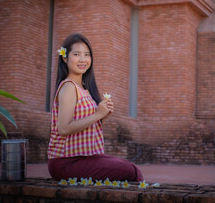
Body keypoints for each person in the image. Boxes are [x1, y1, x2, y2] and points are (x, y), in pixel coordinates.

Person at [47, 33, 143, 182]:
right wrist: (97, 115)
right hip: (66, 161)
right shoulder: (68, 87)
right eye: (77, 54)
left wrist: (102, 115)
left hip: (85, 157)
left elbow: (84, 122)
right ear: (65, 58)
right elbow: (64, 129)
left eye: (87, 55)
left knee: (130, 168)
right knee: (130, 172)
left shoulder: (83, 88)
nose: (83, 59)